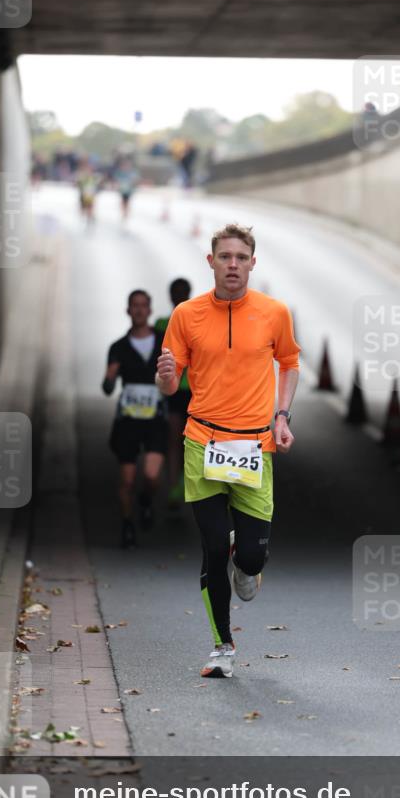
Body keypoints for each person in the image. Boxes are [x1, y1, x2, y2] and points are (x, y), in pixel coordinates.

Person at [156, 224, 300, 678]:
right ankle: (222, 645)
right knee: (213, 547)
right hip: (203, 442)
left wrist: (282, 417)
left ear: (252, 263)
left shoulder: (274, 313)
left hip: (254, 445)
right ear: (211, 261)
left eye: (241, 257)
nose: (232, 264)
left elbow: (290, 363)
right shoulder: (187, 315)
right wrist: (163, 375)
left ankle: (247, 560)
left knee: (251, 558)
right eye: (225, 257)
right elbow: (169, 383)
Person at [103, 290, 167, 548]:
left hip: (155, 420)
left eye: (144, 306)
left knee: (151, 476)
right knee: (127, 479)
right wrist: (110, 376)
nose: (139, 310)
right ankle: (127, 524)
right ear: (128, 310)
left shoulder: (165, 343)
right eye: (135, 306)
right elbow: (107, 389)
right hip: (128, 421)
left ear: (150, 310)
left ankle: (146, 499)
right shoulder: (118, 348)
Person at [154, 279, 192, 509]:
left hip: (197, 391)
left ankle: (184, 480)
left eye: (182, 293)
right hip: (174, 391)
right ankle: (174, 487)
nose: (179, 297)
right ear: (171, 297)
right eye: (176, 293)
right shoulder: (161, 324)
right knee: (173, 439)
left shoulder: (199, 323)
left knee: (193, 442)